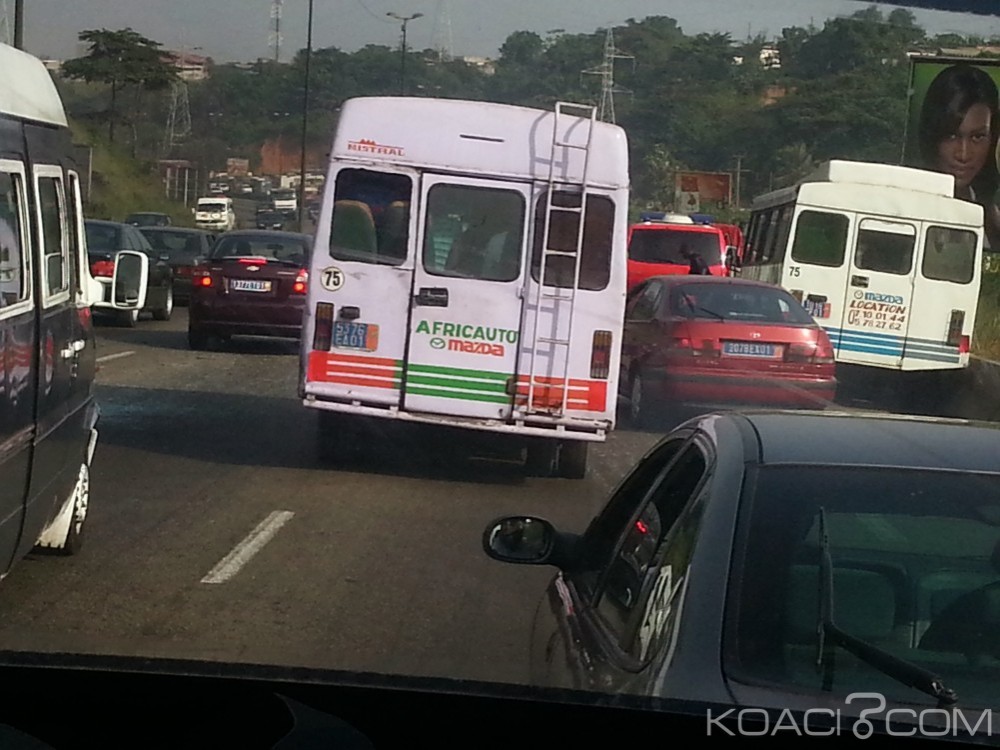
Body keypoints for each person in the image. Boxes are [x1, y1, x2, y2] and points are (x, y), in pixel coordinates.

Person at [917, 63, 1000, 251]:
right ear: (932, 135)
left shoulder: (993, 222)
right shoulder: (901, 211)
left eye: (978, 137)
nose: (963, 154)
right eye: (951, 135)